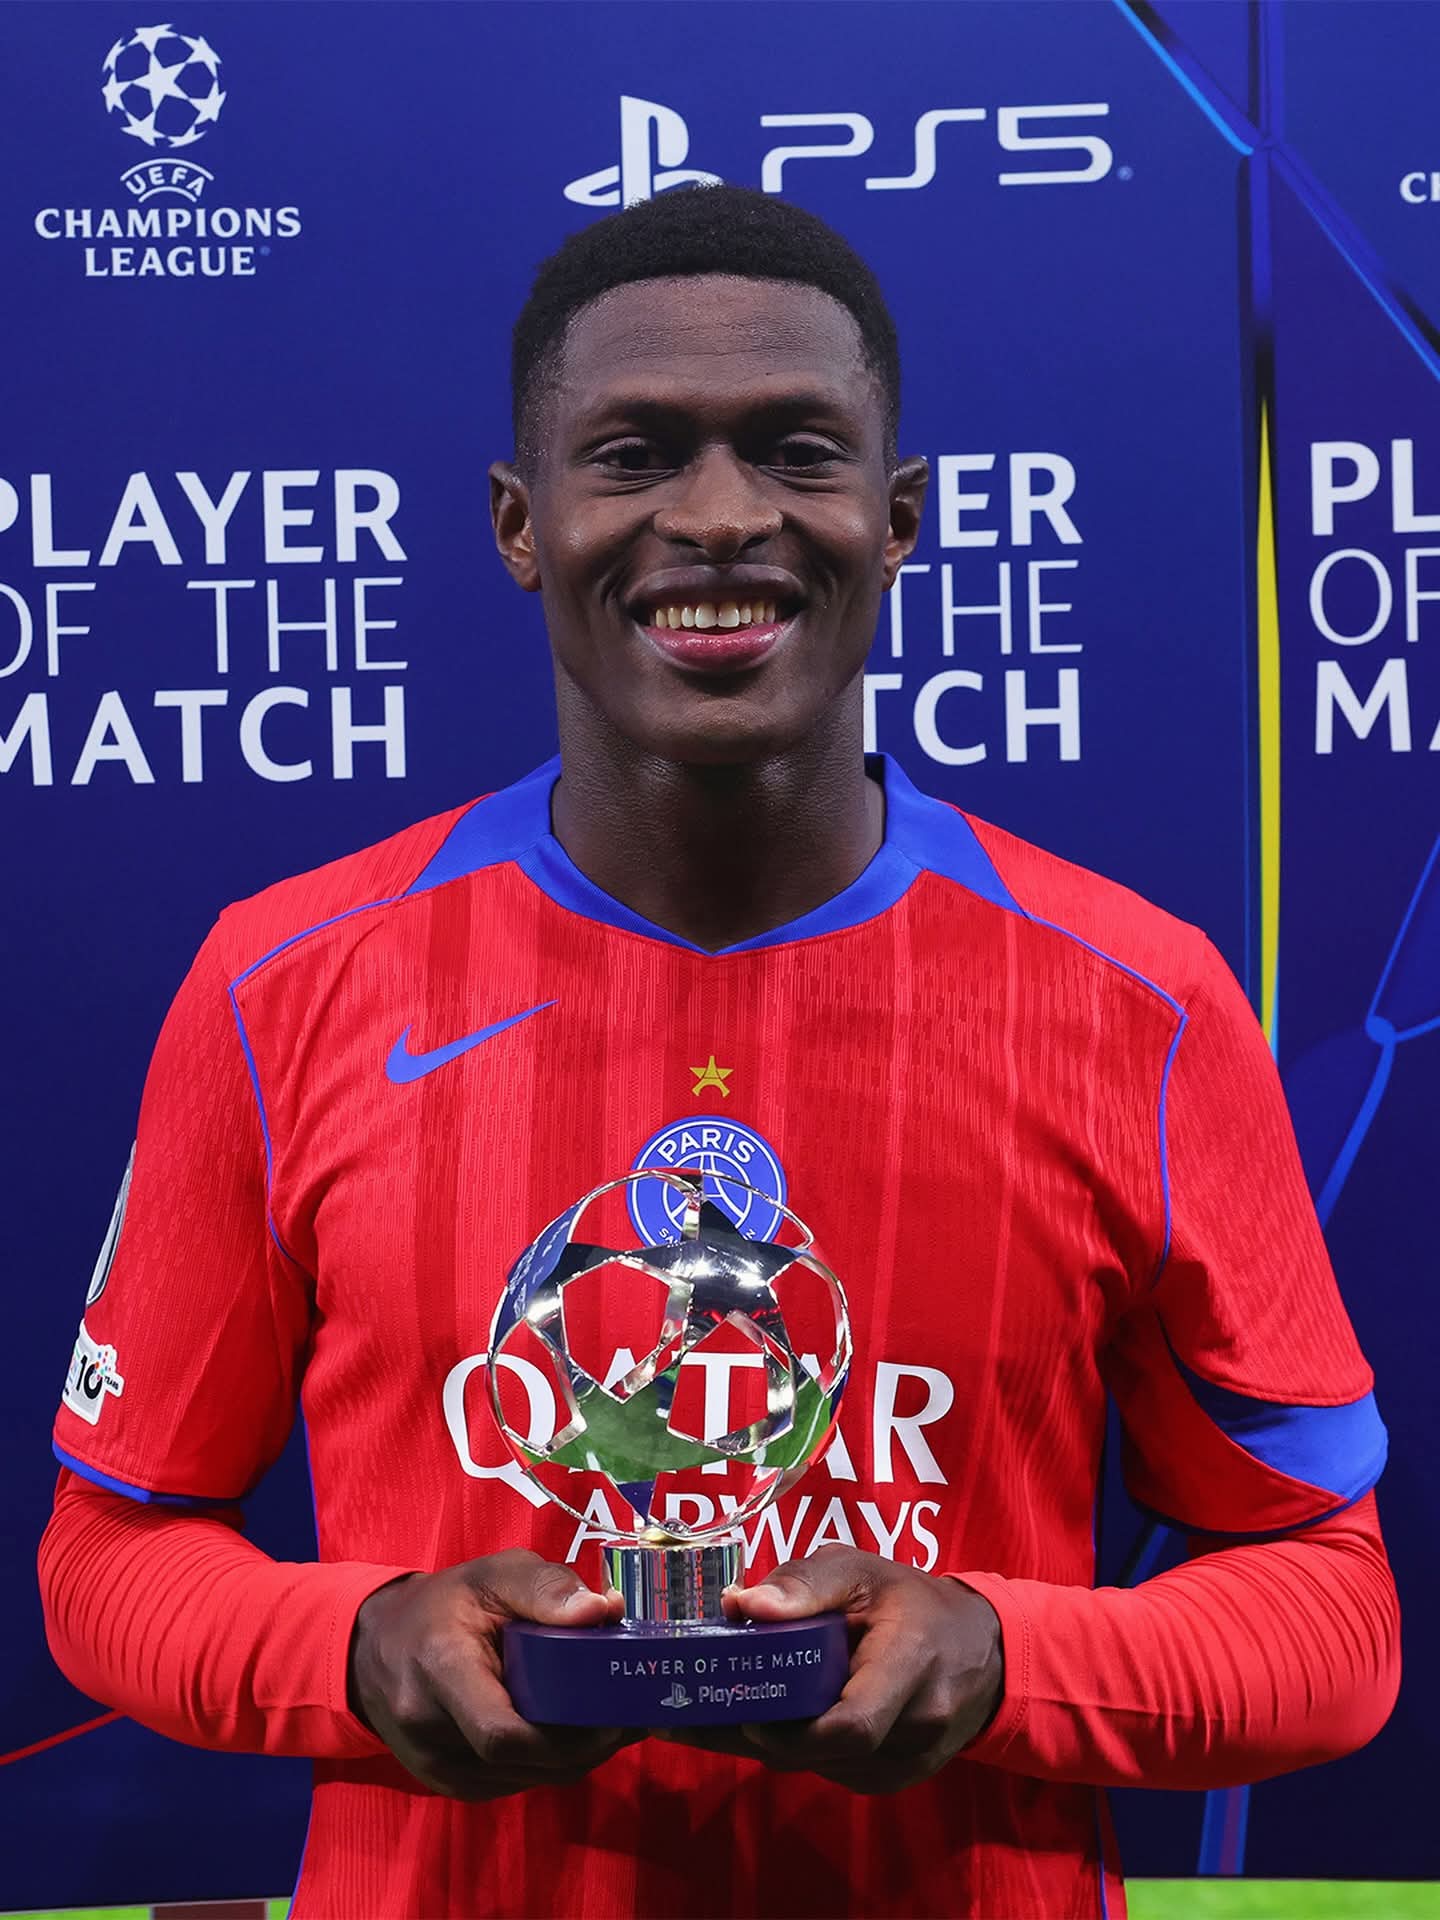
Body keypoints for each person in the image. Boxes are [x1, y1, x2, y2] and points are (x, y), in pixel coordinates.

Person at [40, 186, 1398, 1920]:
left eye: (796, 452)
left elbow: (1328, 1605)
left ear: (898, 519)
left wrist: (1004, 1659)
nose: (720, 517)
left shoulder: (1141, 998)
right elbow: (109, 1555)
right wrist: (357, 1643)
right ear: (521, 523)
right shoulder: (282, 983)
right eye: (634, 455)